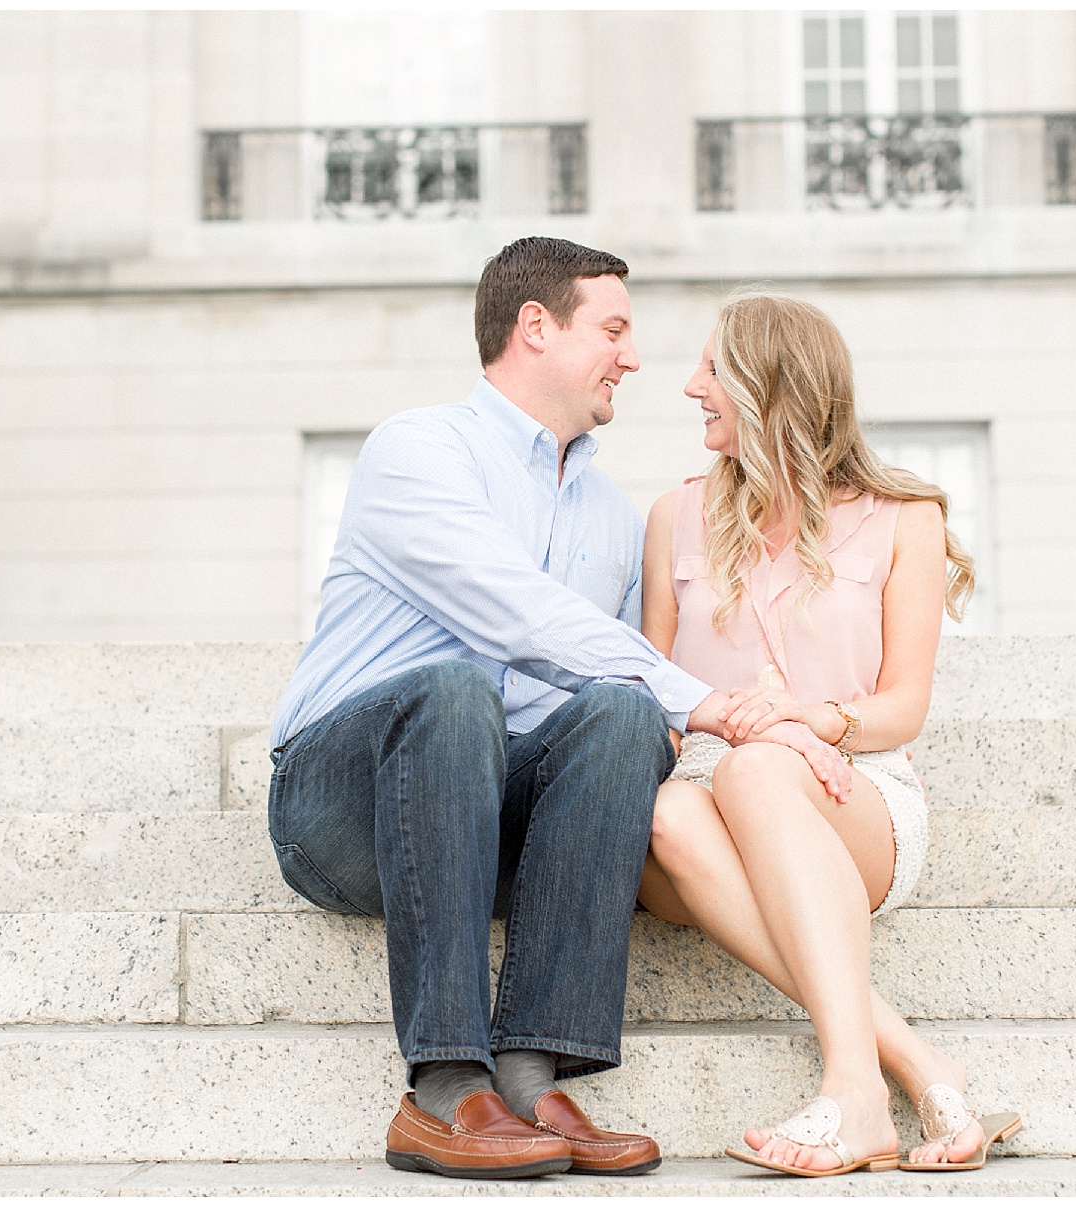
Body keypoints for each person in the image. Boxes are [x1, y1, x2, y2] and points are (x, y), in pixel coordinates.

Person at [267, 237, 764, 1180]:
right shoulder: (419, 448)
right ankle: (446, 1086)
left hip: (490, 819)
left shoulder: (617, 517)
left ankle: (533, 1071)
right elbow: (515, 615)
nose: (633, 356)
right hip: (345, 807)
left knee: (622, 711)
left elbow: (613, 690)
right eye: (613, 328)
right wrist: (713, 706)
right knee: (456, 685)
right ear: (535, 326)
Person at [637, 290, 1023, 1177]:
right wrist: (732, 732)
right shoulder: (674, 515)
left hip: (857, 790)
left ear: (769, 387)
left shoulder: (905, 518)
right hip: (704, 787)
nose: (691, 386)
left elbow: (903, 705)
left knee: (760, 770)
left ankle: (853, 1090)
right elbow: (650, 689)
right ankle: (918, 1065)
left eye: (712, 369)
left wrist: (816, 722)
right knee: (671, 813)